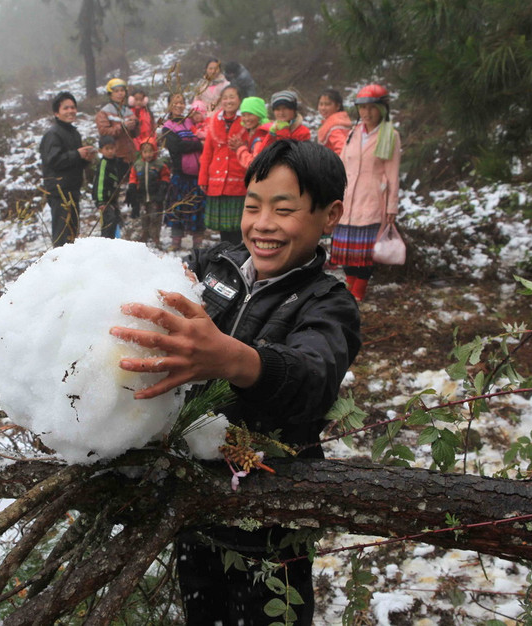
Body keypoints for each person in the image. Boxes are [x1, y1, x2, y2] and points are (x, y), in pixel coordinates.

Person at [110, 139, 361, 626]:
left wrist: (234, 360)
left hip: (271, 515)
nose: (263, 224)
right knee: (202, 609)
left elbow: (314, 380)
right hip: (195, 498)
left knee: (270, 615)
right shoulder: (213, 267)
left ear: (329, 216)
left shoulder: (327, 303)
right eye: (252, 206)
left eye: (284, 210)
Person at [332, 84, 401, 301]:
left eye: (371, 107)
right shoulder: (353, 133)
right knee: (346, 250)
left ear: (382, 109)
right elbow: (342, 165)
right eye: (362, 108)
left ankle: (358, 292)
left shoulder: (390, 136)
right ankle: (349, 289)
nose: (366, 113)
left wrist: (391, 207)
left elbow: (392, 174)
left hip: (372, 200)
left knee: (364, 254)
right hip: (349, 198)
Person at [39, 91, 97, 247]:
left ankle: (71, 268)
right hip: (59, 192)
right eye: (66, 108)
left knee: (73, 234)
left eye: (73, 107)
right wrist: (77, 154)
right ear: (57, 113)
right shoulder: (53, 135)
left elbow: (72, 161)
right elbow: (54, 161)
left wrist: (85, 159)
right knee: (62, 235)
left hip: (73, 190)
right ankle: (59, 267)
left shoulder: (73, 133)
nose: (71, 111)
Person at [198, 85, 248, 245]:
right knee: (224, 228)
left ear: (239, 99)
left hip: (239, 179)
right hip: (217, 179)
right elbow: (207, 154)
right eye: (225, 97)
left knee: (239, 224)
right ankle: (227, 254)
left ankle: (239, 255)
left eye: (232, 97)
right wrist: (203, 179)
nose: (228, 101)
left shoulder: (247, 120)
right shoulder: (214, 121)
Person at [161, 93, 206, 251]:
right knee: (177, 209)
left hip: (198, 175)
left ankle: (198, 242)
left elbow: (203, 132)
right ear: (169, 106)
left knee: (198, 209)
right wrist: (198, 144)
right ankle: (176, 242)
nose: (179, 105)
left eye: (181, 102)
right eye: (175, 102)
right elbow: (177, 146)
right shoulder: (167, 126)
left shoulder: (190, 120)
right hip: (181, 175)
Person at [127, 138, 170, 245]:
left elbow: (165, 176)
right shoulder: (137, 165)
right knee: (144, 216)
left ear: (155, 151)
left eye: (151, 151)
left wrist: (163, 187)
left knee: (156, 216)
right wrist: (132, 186)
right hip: (142, 196)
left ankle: (155, 236)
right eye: (145, 152)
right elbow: (133, 177)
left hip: (155, 196)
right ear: (141, 152)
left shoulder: (159, 165)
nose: (148, 154)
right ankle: (144, 234)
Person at [93, 135, 131, 239]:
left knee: (116, 220)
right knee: (108, 221)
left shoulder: (115, 163)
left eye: (112, 148)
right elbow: (100, 183)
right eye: (107, 149)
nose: (110, 151)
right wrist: (101, 201)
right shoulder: (103, 164)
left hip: (113, 199)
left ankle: (116, 241)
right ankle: (106, 242)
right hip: (104, 200)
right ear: (101, 150)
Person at [95, 78, 139, 166]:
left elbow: (135, 134)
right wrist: (122, 127)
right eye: (116, 91)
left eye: (122, 90)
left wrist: (135, 125)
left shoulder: (128, 111)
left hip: (131, 156)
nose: (120, 93)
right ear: (110, 94)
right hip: (115, 156)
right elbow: (104, 132)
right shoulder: (104, 112)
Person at [229, 96, 274, 169]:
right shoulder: (253, 132)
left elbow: (254, 164)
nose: (246, 119)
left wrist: (240, 148)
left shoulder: (262, 136)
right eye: (243, 115)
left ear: (259, 115)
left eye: (250, 114)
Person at [316, 89, 353, 156]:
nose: (323, 108)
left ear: (338, 106)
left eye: (327, 104)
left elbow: (342, 149)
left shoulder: (335, 127)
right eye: (321, 104)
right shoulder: (340, 121)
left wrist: (332, 164)